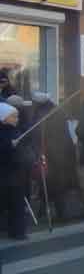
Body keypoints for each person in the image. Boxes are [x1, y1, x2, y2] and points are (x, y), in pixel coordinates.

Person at [31, 92, 76, 221]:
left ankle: (58, 212)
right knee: (52, 182)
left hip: (50, 153)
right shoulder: (57, 111)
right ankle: (50, 209)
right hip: (60, 153)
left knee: (52, 182)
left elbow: (37, 135)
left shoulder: (42, 115)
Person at [0, 103, 26, 242]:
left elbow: (24, 148)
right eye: (14, 116)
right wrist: (9, 145)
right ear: (4, 118)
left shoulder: (16, 130)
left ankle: (18, 231)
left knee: (17, 203)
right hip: (4, 173)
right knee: (6, 202)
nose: (17, 119)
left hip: (16, 172)